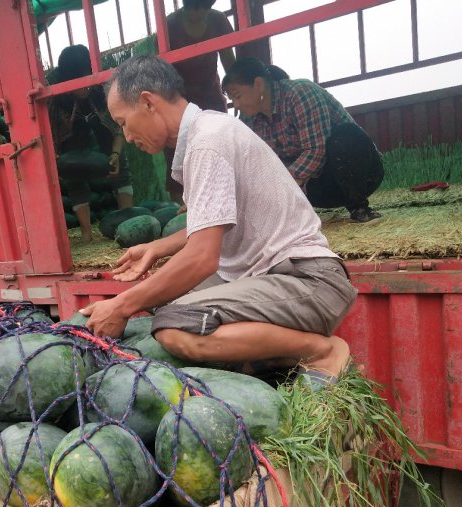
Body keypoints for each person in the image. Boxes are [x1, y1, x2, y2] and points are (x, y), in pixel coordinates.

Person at [80, 55, 357, 384]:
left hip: (309, 282)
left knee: (173, 327)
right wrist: (158, 246)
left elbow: (202, 258)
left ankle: (322, 352)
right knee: (166, 297)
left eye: (124, 122)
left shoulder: (207, 143)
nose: (125, 137)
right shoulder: (208, 131)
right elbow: (214, 222)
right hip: (283, 278)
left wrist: (122, 305)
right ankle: (268, 359)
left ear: (148, 103)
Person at [222, 57, 384, 223]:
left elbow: (316, 151)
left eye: (238, 96)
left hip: (361, 175)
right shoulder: (249, 119)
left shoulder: (299, 93)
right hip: (318, 186)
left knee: (345, 136)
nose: (236, 104)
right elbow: (254, 164)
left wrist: (279, 184)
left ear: (258, 85)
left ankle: (359, 207)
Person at [47, 45, 134, 241]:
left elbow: (118, 126)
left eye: (85, 79)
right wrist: (55, 155)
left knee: (120, 170)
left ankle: (129, 221)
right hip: (71, 135)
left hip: (100, 128)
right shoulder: (55, 96)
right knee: (74, 177)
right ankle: (87, 233)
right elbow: (50, 131)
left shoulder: (103, 89)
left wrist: (116, 154)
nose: (83, 88)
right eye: (77, 82)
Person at [163, 0, 236, 206]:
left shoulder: (218, 20)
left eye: (205, 8)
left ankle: (222, 199)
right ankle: (182, 206)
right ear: (185, 6)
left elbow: (228, 59)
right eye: (195, 9)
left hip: (210, 93)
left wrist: (235, 90)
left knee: (219, 142)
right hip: (179, 97)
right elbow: (163, 69)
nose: (200, 13)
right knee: (177, 151)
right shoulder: (169, 25)